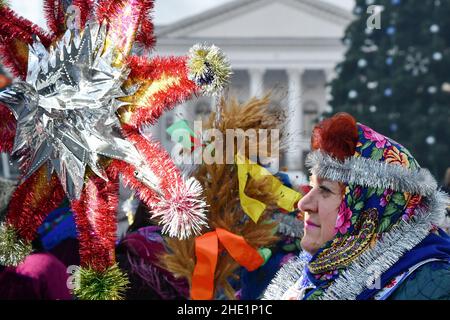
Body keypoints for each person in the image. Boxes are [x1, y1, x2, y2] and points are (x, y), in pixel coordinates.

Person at [263, 113, 450, 300]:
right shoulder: (310, 274)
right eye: (312, 187)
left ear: (372, 207)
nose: (304, 204)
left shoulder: (434, 284)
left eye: (325, 190)